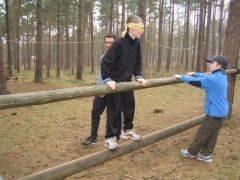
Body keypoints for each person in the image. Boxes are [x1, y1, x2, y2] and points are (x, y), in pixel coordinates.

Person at [101, 15, 147, 150]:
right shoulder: (119, 42)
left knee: (129, 106)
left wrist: (138, 75)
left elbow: (137, 61)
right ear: (131, 27)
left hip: (127, 82)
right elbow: (105, 61)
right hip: (114, 83)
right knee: (114, 110)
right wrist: (108, 79)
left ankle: (128, 129)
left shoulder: (137, 42)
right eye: (140, 28)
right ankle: (111, 137)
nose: (142, 31)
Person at [174, 55, 229, 163]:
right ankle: (206, 154)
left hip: (215, 112)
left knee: (203, 133)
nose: (209, 64)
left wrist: (181, 77)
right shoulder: (220, 75)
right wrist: (194, 74)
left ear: (219, 65)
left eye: (212, 63)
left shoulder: (214, 79)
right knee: (212, 133)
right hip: (220, 111)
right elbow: (205, 76)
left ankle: (191, 152)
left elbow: (198, 82)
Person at [82, 34, 116, 145]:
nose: (108, 44)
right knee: (95, 113)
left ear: (115, 43)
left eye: (111, 42)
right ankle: (93, 136)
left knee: (111, 116)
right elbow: (101, 75)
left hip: (114, 91)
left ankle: (110, 138)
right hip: (101, 90)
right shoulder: (102, 57)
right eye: (106, 42)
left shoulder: (120, 57)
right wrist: (99, 88)